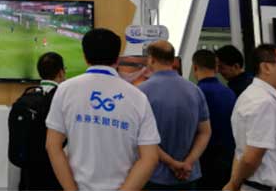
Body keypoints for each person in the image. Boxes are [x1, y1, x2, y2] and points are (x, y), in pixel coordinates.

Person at [46, 28, 160, 191]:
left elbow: (52, 145)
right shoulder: (138, 97)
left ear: (85, 56)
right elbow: (150, 158)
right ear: (117, 59)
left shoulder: (65, 90)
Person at [139, 41, 211, 190]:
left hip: (153, 176)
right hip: (188, 176)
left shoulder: (141, 92)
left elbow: (142, 139)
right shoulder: (195, 90)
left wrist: (173, 164)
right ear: (173, 60)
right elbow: (205, 132)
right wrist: (188, 163)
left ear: (151, 60)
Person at [224, 44, 276, 191]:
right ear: (266, 67)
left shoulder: (256, 96)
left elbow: (241, 151)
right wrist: (233, 184)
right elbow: (250, 158)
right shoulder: (264, 102)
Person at [17, 52, 65, 191]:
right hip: (54, 173)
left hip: (28, 175)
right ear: (61, 72)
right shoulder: (64, 99)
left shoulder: (27, 97)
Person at [192, 49, 236, 190]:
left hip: (204, 161)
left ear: (195, 67)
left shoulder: (195, 93)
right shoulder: (230, 93)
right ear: (216, 68)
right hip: (228, 159)